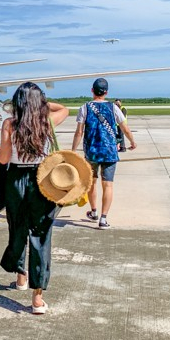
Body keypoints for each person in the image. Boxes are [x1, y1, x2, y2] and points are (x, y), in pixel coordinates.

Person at [0, 82, 71, 315]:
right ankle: (37, 298)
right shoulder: (46, 122)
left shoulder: (9, 123)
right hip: (42, 180)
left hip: (16, 179)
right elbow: (65, 109)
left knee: (17, 228)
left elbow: (5, 158)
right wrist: (41, 105)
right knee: (41, 235)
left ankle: (21, 276)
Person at [71, 77, 136, 229]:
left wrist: (73, 151)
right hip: (109, 152)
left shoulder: (84, 107)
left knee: (92, 183)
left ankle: (93, 212)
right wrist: (132, 141)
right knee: (108, 185)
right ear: (106, 92)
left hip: (92, 152)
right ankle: (103, 219)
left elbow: (79, 132)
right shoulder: (114, 108)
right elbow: (124, 128)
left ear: (92, 91)